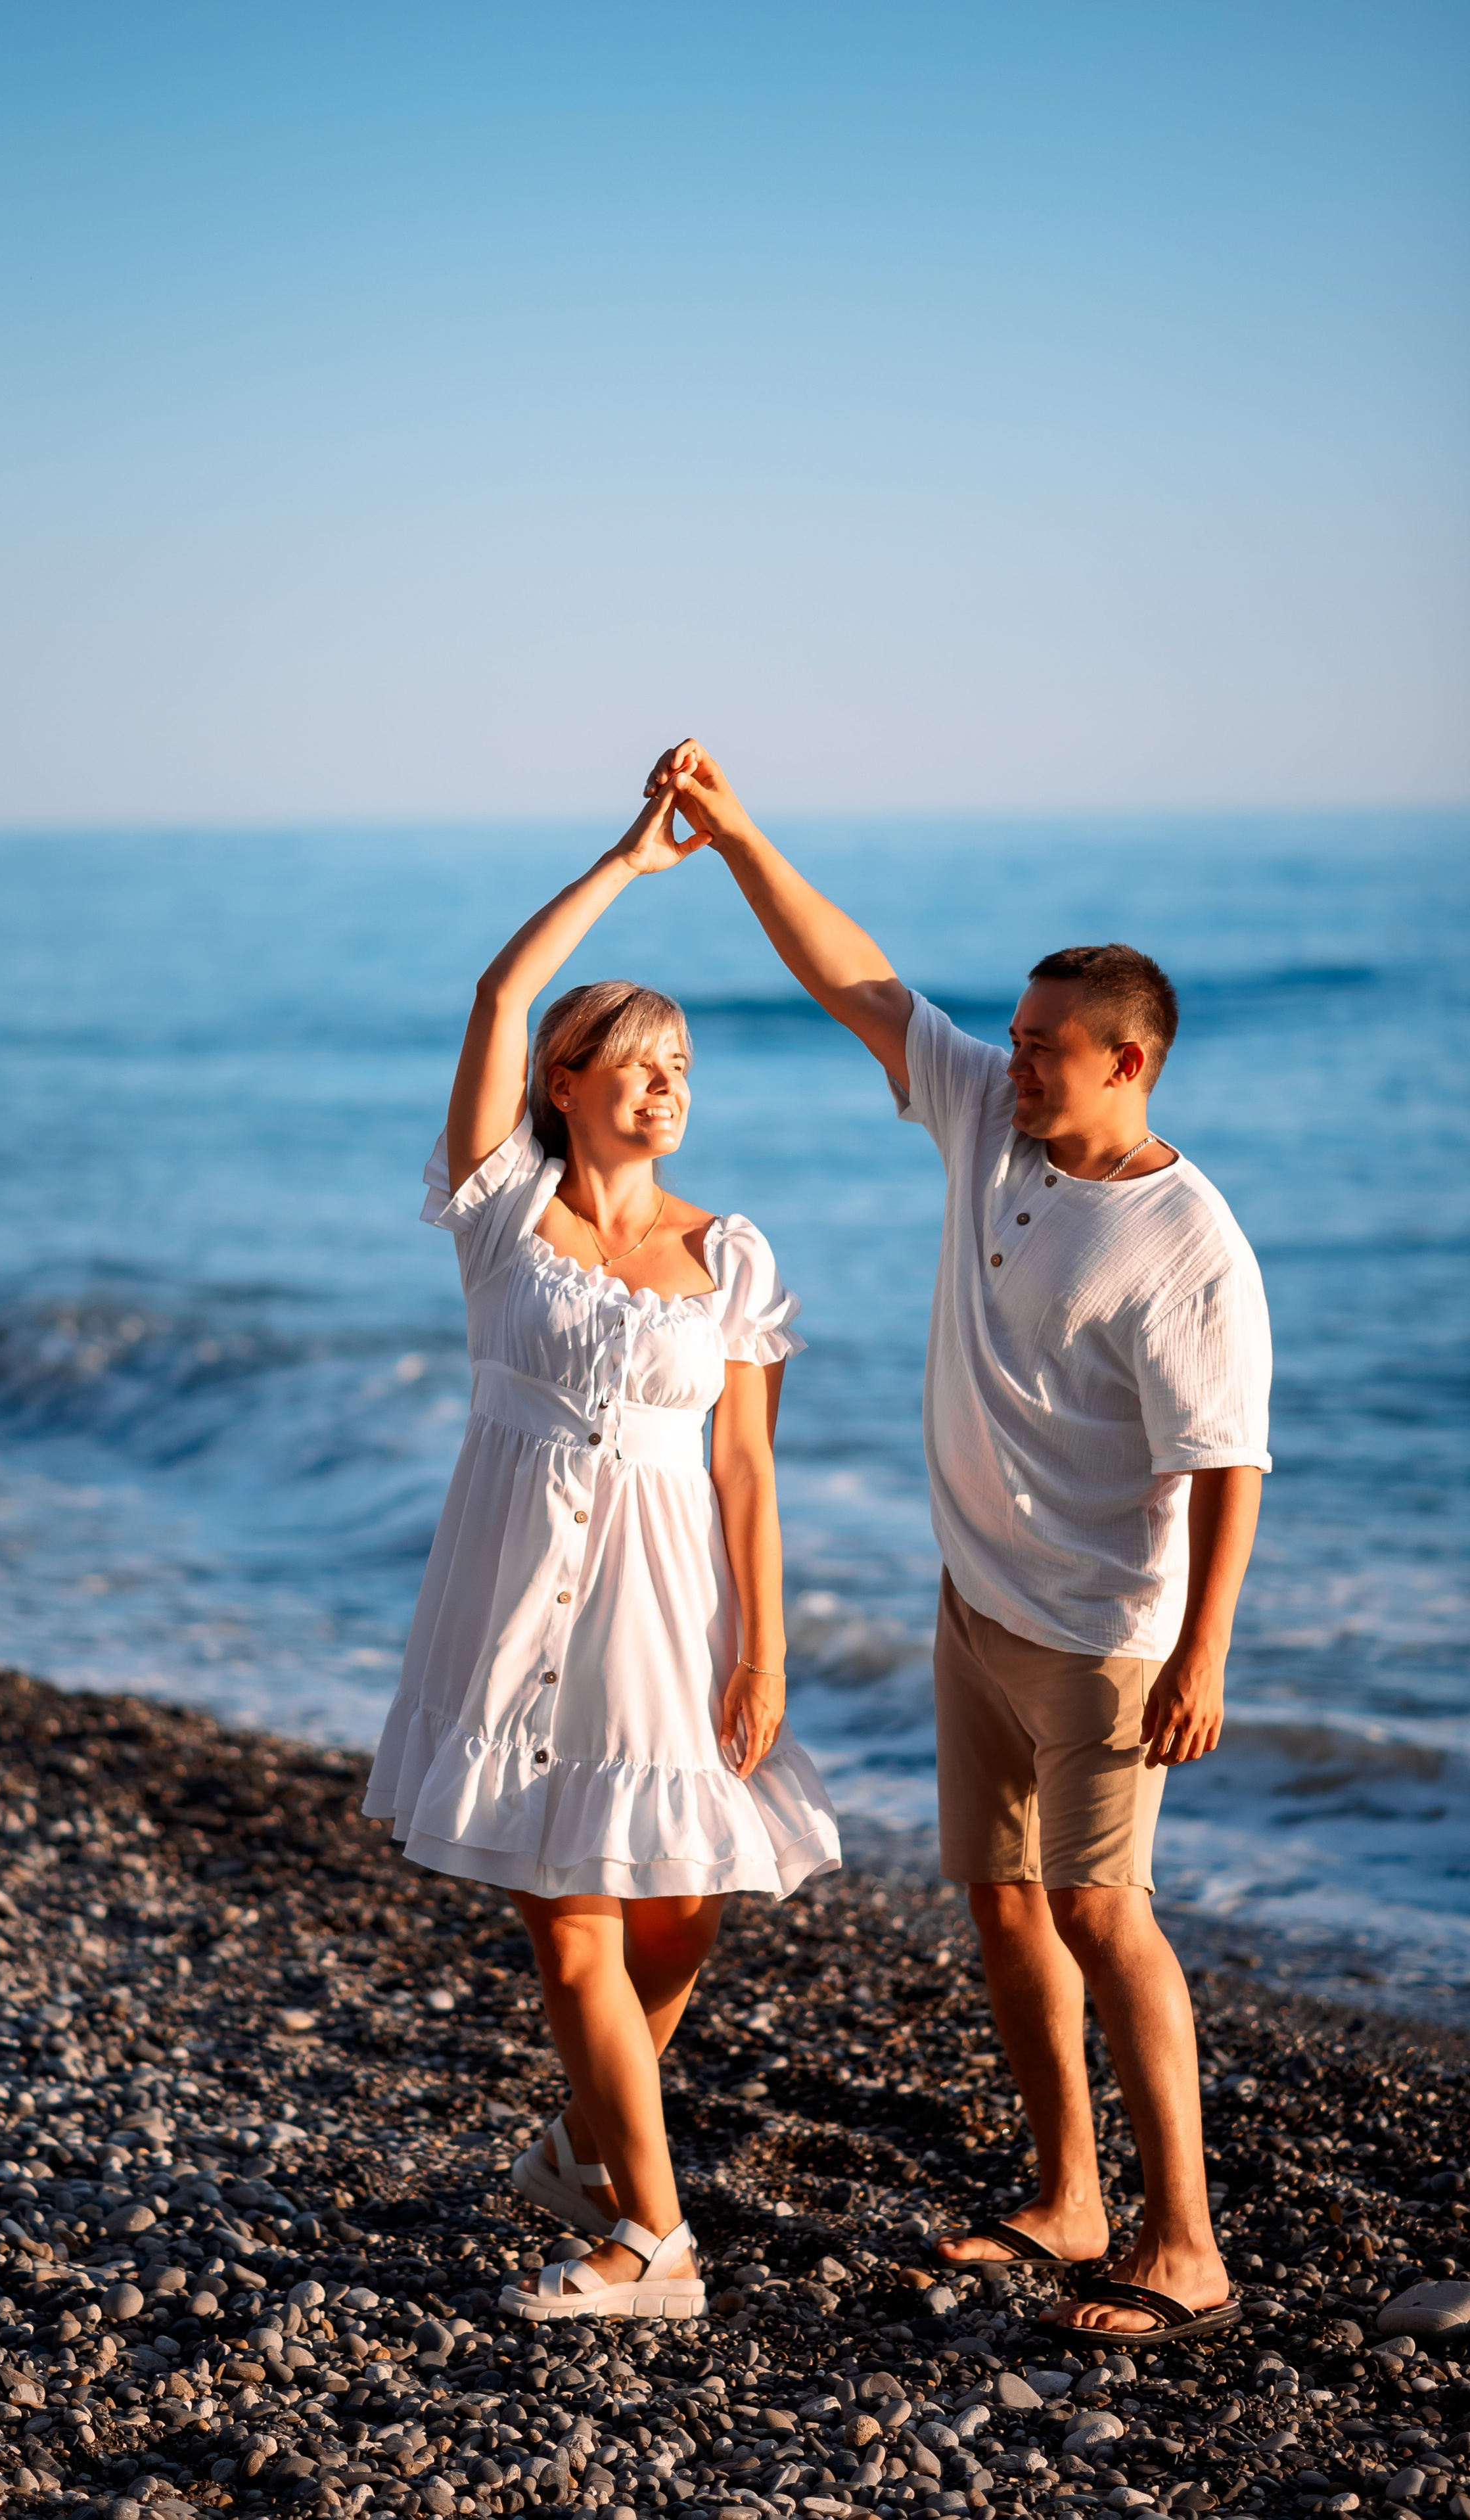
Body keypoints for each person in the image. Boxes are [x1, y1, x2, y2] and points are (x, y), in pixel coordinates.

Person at [642, 739, 1270, 2343]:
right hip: (971, 1608)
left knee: (1103, 1912)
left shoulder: (1185, 1243)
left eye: (1047, 1044)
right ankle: (1069, 2199)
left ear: (1129, 1062)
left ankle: (1182, 2244)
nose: (1014, 1058)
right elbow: (855, 983)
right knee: (998, 1900)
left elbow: (1224, 1459)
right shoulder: (992, 1122)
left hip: (1099, 1637)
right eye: (1012, 1032)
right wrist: (733, 837)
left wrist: (1199, 1650)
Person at [364, 785, 840, 2325]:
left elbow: (749, 1469)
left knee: (682, 1903)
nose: (663, 1091)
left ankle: (584, 2141)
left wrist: (763, 1650)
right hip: (509, 1599)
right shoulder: (497, 1215)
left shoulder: (730, 1257)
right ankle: (655, 2241)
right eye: (632, 1067)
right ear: (561, 1085)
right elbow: (502, 993)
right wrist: (631, 864)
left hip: (668, 1601)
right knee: (572, 1918)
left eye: (681, 1069)